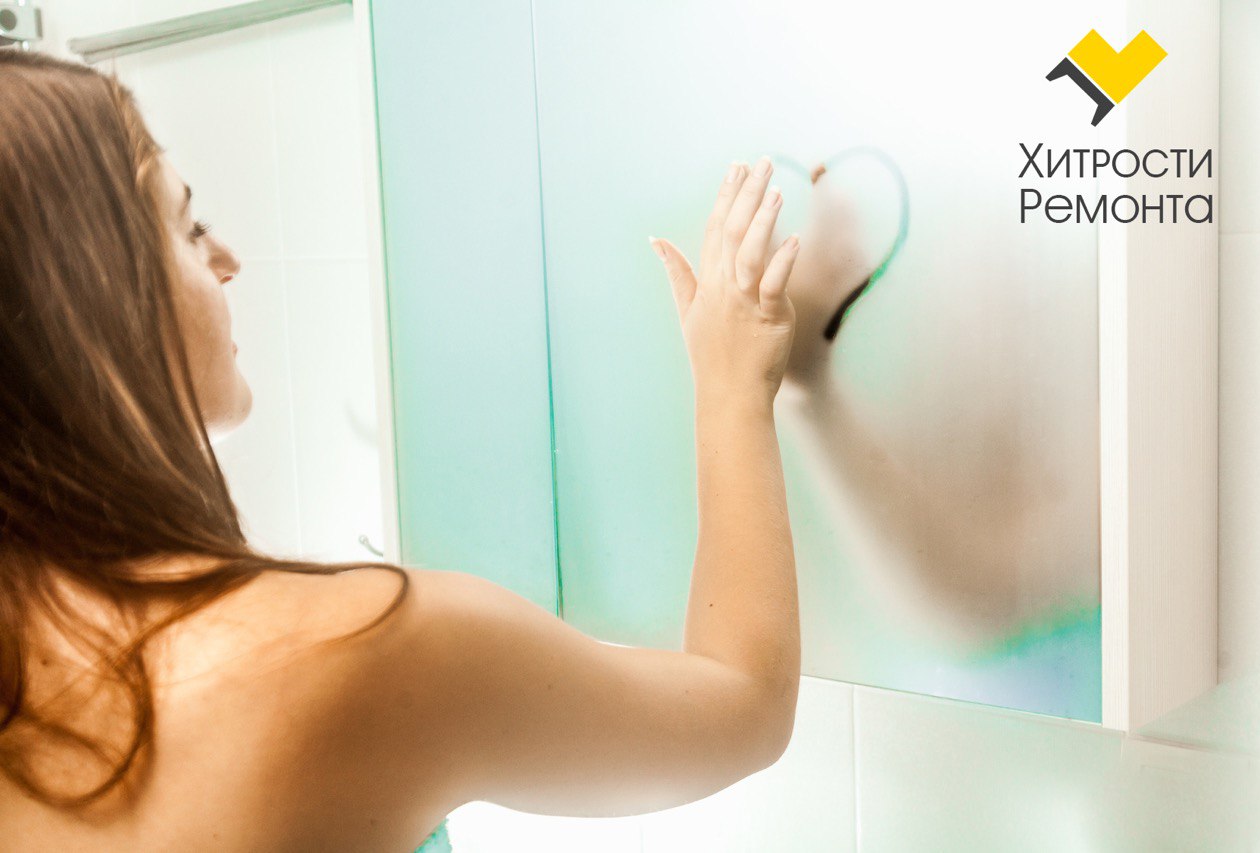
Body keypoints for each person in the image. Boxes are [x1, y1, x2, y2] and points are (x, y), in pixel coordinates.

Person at [0, 50, 802, 851]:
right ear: (92, 291)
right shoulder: (353, 652)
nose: (228, 261)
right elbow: (743, 702)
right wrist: (732, 387)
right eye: (189, 227)